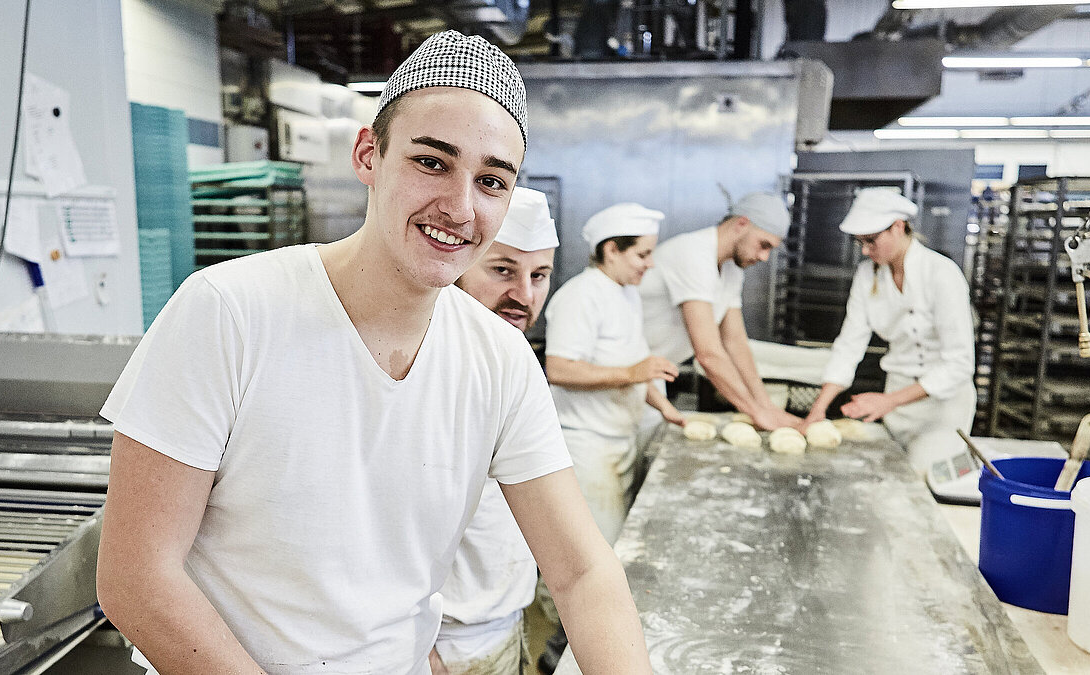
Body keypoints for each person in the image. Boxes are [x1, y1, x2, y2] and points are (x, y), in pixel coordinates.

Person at [96, 31, 650, 675]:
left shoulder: (499, 362)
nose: (460, 207)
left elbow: (583, 573)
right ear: (369, 153)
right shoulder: (230, 312)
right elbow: (136, 576)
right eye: (431, 162)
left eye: (491, 181)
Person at [430, 186, 557, 675]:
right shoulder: (424, 368)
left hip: (502, 627)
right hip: (440, 647)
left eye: (539, 275)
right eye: (502, 269)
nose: (524, 295)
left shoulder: (510, 363)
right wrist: (419, 651)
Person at [801, 187, 976, 474]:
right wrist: (818, 409)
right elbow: (849, 344)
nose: (866, 251)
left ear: (898, 227)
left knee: (926, 482)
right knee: (892, 483)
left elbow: (959, 364)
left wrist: (887, 401)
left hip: (942, 409)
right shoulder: (867, 275)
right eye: (860, 243)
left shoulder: (941, 273)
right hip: (896, 403)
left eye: (871, 240)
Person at [545, 202, 683, 545]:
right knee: (589, 553)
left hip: (619, 440)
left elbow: (636, 365)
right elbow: (559, 369)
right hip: (586, 446)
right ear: (611, 250)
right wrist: (633, 372)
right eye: (642, 254)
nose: (650, 264)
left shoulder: (626, 294)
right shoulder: (581, 295)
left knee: (609, 546)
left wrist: (665, 410)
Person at [639, 192, 802, 431]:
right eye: (763, 245)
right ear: (741, 224)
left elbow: (735, 342)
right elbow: (708, 353)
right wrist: (756, 412)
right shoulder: (693, 254)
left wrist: (766, 406)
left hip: (650, 381)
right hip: (614, 373)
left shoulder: (731, 270)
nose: (765, 257)